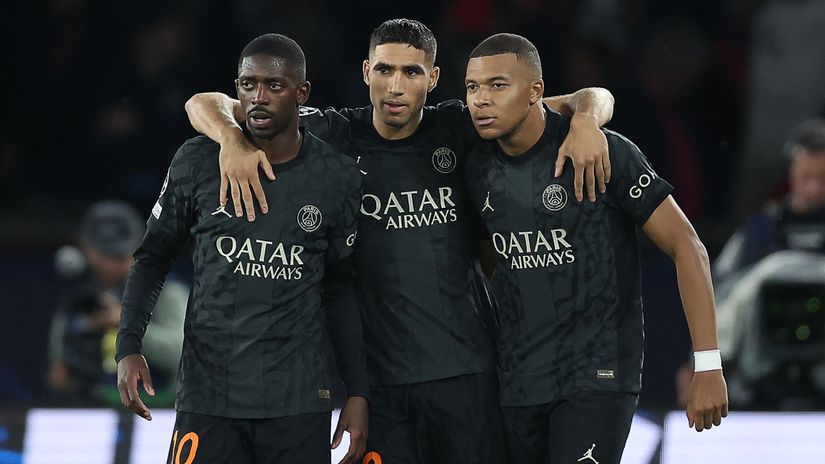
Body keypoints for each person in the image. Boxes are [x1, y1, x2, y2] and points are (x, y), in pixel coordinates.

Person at [185, 19, 614, 463]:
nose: (395, 86)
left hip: (468, 375)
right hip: (383, 388)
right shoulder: (331, 134)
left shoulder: (459, 126)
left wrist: (586, 121)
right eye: (385, 70)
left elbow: (591, 97)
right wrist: (231, 139)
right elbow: (203, 103)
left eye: (411, 72)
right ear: (366, 71)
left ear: (433, 78)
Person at [462, 33, 728, 463]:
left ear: (536, 91)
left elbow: (687, 246)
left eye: (498, 85)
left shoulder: (599, 151)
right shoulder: (474, 163)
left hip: (596, 376)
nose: (481, 99)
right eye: (472, 87)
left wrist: (708, 363)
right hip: (516, 382)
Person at [116, 34, 368, 464]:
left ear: (302, 93)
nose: (259, 97)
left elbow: (340, 289)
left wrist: (358, 391)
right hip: (208, 397)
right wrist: (128, 345)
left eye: (275, 85)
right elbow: (152, 257)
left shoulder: (337, 178)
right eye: (249, 85)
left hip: (297, 402)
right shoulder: (198, 160)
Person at [706, 118, 825, 408]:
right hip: (760, 377)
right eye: (807, 176)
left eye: (822, 179)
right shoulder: (760, 230)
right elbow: (718, 295)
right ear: (793, 168)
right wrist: (701, 364)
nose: (813, 189)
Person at [48, 200, 186, 405]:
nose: (109, 265)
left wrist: (125, 323)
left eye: (119, 257)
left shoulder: (166, 292)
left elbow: (181, 355)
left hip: (155, 407)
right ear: (87, 250)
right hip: (91, 407)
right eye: (103, 255)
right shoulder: (80, 295)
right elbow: (58, 372)